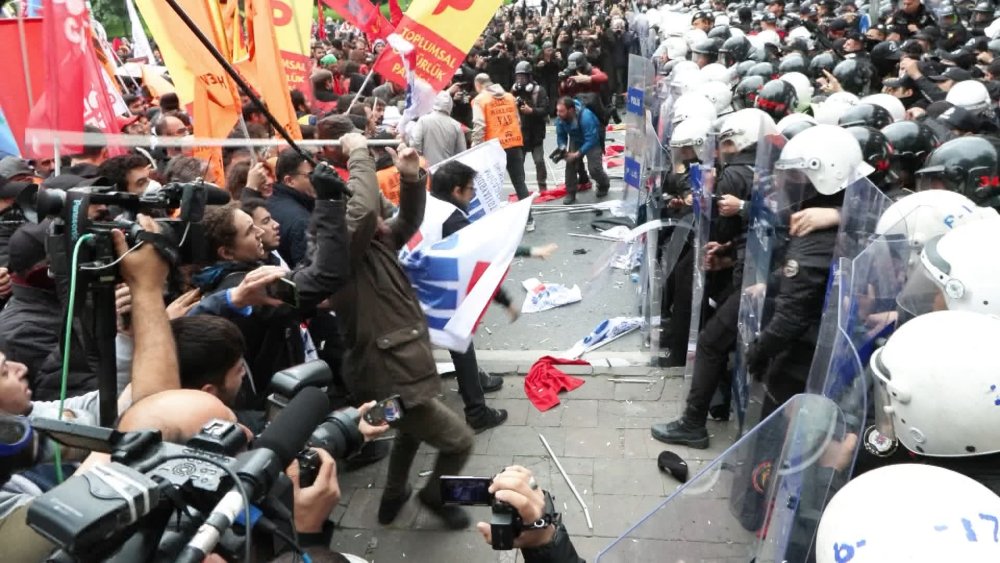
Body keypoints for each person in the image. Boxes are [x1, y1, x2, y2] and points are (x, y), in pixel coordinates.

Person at [325, 138, 475, 530]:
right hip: (391, 378)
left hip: (401, 370)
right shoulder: (345, 253)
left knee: (409, 429)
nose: (385, 216)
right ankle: (434, 497)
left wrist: (411, 179)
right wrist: (359, 152)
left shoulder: (375, 243)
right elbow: (362, 215)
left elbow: (406, 222)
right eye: (379, 210)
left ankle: (393, 494)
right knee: (459, 441)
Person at [191, 158, 351, 411]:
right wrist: (329, 202)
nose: (259, 232)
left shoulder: (245, 270)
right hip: (277, 404)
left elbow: (308, 268)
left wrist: (321, 206)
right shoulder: (249, 288)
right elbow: (323, 276)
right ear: (227, 253)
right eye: (248, 231)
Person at [471, 73, 534, 231]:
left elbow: (479, 125)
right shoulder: (509, 97)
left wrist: (475, 147)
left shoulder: (480, 100)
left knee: (492, 186)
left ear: (478, 85)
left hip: (493, 147)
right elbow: (517, 120)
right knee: (519, 183)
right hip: (513, 142)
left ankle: (495, 224)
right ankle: (529, 220)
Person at [554, 96, 610, 204]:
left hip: (592, 140)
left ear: (571, 110)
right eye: (557, 110)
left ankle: (604, 183)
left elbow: (591, 139)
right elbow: (561, 136)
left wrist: (577, 154)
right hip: (576, 139)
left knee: (594, 168)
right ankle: (570, 192)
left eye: (561, 111)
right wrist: (562, 148)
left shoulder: (586, 117)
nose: (558, 114)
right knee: (570, 164)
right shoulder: (560, 119)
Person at [266, 149, 315, 268]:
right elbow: (309, 273)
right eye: (311, 175)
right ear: (289, 181)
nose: (317, 180)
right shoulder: (302, 221)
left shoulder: (269, 202)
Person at [512, 61, 550, 193]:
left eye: (523, 76)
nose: (520, 80)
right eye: (518, 77)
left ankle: (542, 186)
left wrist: (532, 111)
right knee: (519, 163)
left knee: (539, 161)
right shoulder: (514, 91)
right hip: (521, 133)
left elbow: (545, 109)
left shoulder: (539, 90)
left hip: (536, 132)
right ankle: (521, 189)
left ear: (529, 77)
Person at [410, 91, 468, 167]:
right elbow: (462, 152)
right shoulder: (456, 125)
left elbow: (415, 143)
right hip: (448, 171)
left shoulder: (423, 120)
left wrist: (420, 159)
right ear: (450, 106)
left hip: (426, 169)